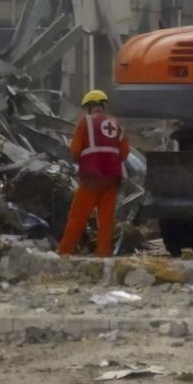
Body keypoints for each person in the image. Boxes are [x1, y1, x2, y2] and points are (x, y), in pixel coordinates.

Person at [57, 89, 128, 258]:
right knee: (106, 218)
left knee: (78, 216)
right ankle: (103, 254)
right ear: (103, 105)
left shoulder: (84, 123)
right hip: (112, 178)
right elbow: (124, 153)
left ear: (89, 107)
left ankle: (64, 252)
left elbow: (75, 151)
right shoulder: (116, 124)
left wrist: (83, 161)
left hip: (91, 177)